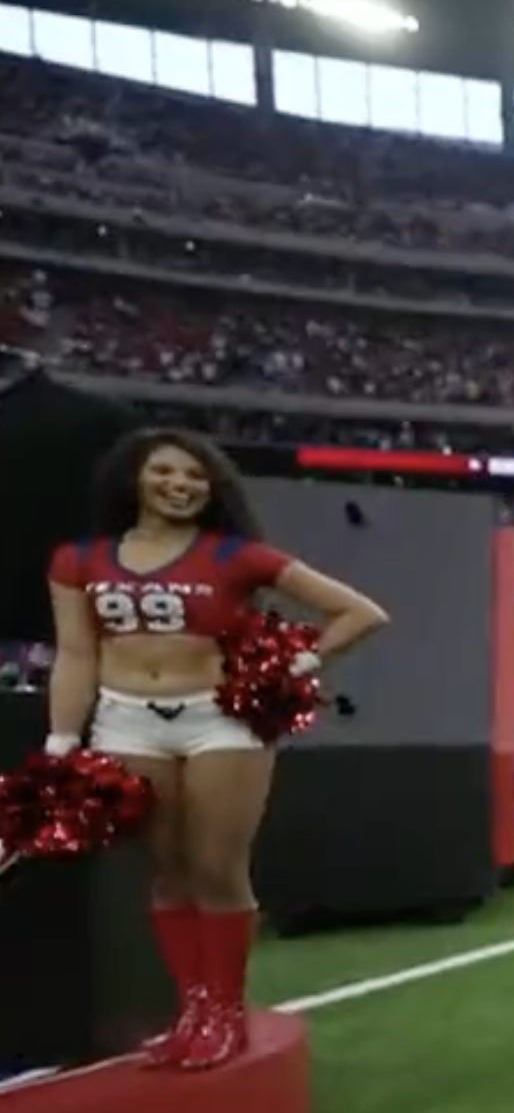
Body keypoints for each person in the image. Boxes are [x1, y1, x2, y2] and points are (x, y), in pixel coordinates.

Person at [43, 428, 389, 1069]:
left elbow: (361, 612)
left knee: (216, 868)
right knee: (168, 869)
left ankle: (226, 1011)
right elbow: (76, 653)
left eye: (196, 476)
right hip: (124, 720)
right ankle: (191, 1010)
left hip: (219, 720)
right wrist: (62, 740)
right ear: (133, 478)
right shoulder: (79, 559)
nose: (180, 485)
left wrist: (297, 664)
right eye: (164, 472)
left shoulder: (237, 555)